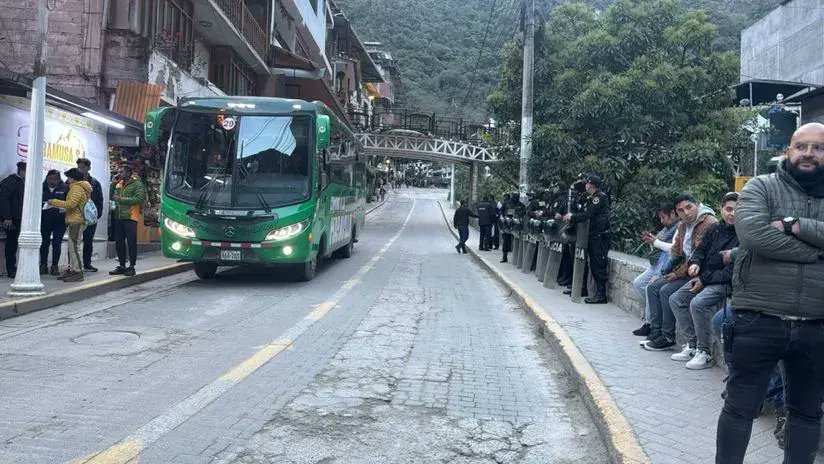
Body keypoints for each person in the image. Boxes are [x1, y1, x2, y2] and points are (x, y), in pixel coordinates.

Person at [716, 123, 824, 464]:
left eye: (819, 147)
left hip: (817, 324)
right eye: (801, 146)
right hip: (758, 318)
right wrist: (817, 252)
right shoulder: (761, 187)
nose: (809, 153)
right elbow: (753, 236)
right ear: (787, 151)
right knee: (740, 408)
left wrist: (795, 225)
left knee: (807, 413)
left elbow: (772, 236)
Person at [668, 192, 739, 369]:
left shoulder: (743, 234)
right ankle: (692, 345)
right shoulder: (715, 229)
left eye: (737, 210)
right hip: (705, 277)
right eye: (728, 209)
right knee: (676, 299)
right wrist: (695, 264)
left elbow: (730, 272)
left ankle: (704, 352)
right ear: (721, 209)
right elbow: (700, 251)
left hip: (725, 283)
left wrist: (704, 280)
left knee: (698, 304)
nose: (732, 214)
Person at [643, 192, 716, 351]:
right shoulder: (683, 225)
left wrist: (677, 274)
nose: (686, 213)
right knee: (654, 286)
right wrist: (662, 273)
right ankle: (657, 332)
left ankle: (673, 338)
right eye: (681, 210)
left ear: (697, 204)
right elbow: (676, 251)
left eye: (689, 207)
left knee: (669, 294)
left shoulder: (708, 223)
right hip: (687, 270)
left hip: (700, 272)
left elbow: (698, 256)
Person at [631, 204, 680, 336]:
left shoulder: (679, 227)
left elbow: (673, 249)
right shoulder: (666, 229)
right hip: (657, 263)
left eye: (664, 217)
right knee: (638, 283)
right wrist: (651, 241)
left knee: (650, 287)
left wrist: (655, 242)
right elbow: (658, 246)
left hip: (668, 265)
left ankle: (651, 324)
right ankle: (651, 317)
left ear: (672, 213)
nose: (662, 221)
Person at [564, 174, 610, 304]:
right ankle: (583, 288)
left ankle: (601, 295)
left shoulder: (599, 197)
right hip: (592, 235)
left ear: (591, 185)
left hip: (599, 236)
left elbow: (589, 214)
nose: (585, 185)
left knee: (598, 265)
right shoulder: (590, 197)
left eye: (587, 183)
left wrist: (572, 217)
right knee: (590, 263)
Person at [47, 168, 91, 282]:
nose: (67, 180)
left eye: (69, 177)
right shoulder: (81, 187)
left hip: (76, 220)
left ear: (73, 178)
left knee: (74, 248)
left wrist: (53, 202)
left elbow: (71, 204)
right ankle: (73, 270)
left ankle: (78, 272)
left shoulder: (77, 188)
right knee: (73, 247)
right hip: (77, 219)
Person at [110, 164, 146, 277]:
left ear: (128, 173)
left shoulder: (137, 184)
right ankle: (122, 266)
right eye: (118, 171)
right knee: (119, 242)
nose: (118, 174)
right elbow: (111, 197)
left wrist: (121, 199)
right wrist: (113, 184)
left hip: (131, 217)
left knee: (131, 242)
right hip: (119, 217)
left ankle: (131, 266)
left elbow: (139, 199)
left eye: (121, 172)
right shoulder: (118, 184)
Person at [76, 158, 103, 272]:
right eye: (78, 167)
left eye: (82, 167)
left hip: (90, 216)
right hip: (77, 215)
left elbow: (100, 200)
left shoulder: (95, 183)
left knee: (88, 240)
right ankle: (73, 265)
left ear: (88, 168)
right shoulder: (73, 181)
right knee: (74, 241)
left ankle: (87, 263)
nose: (80, 170)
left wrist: (97, 214)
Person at [0, 161, 26, 278]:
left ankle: (17, 267)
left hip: (21, 218)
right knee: (11, 244)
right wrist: (7, 217)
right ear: (22, 170)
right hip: (12, 219)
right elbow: (4, 200)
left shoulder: (23, 182)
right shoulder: (10, 182)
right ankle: (11, 269)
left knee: (17, 243)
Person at [40, 169, 67, 276]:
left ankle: (55, 266)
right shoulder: (41, 187)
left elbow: (68, 203)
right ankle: (43, 265)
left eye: (55, 179)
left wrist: (64, 208)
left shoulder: (65, 188)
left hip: (59, 221)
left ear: (59, 179)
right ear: (47, 178)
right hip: (44, 220)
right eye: (50, 179)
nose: (52, 181)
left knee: (57, 243)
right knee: (44, 243)